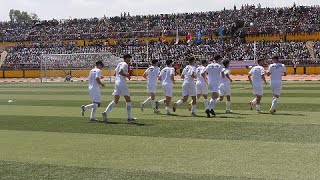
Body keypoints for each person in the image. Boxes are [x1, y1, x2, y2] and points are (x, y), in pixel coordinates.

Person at [102, 54, 137, 123]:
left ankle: (105, 112)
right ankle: (129, 117)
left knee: (116, 100)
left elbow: (115, 73)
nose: (129, 60)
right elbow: (120, 72)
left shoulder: (119, 63)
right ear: (126, 58)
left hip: (117, 83)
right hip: (122, 83)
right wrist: (127, 75)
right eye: (129, 58)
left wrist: (123, 75)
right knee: (128, 100)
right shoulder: (125, 64)